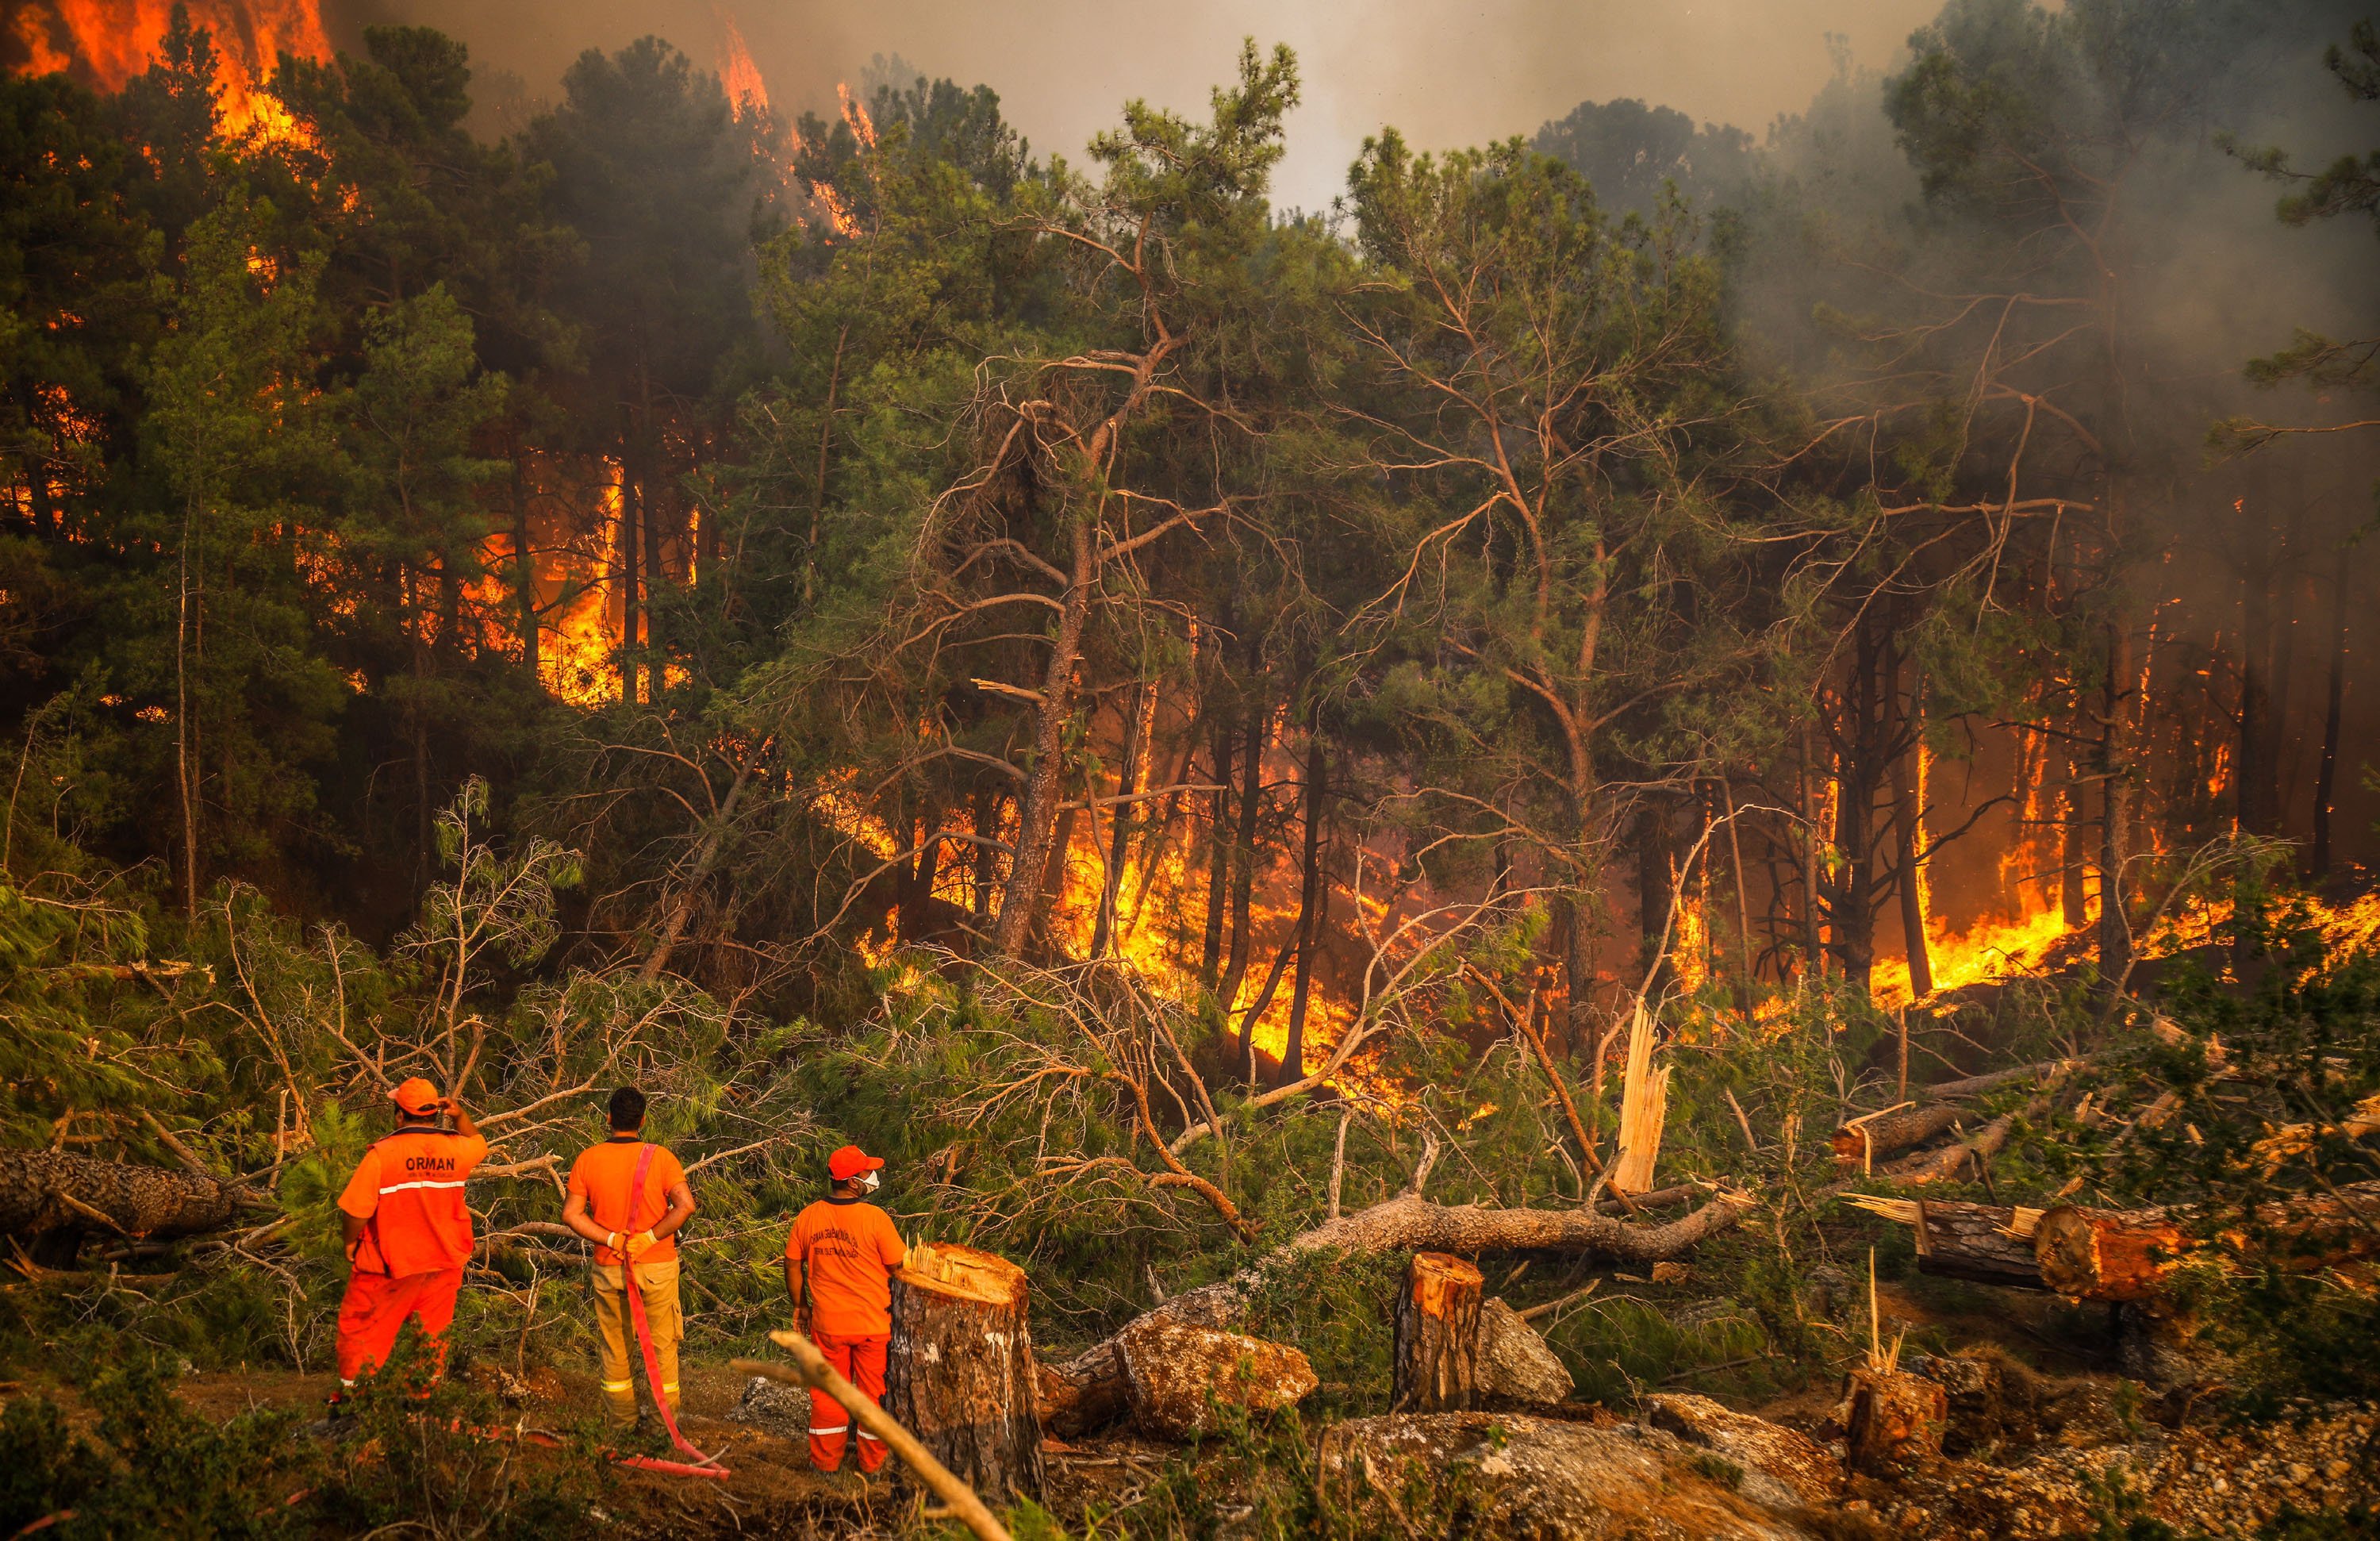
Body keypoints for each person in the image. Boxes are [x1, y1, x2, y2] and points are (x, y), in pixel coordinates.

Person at [333, 1077, 488, 1401]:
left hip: (389, 1266)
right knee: (431, 1337)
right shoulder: (457, 1149)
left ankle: (351, 1406)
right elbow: (480, 1142)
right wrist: (459, 1116)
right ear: (435, 1114)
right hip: (442, 1263)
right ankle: (420, 1405)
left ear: (399, 1116)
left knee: (360, 1329)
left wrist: (350, 1242)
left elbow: (356, 1212)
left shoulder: (382, 1155)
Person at [562, 1086, 697, 1429]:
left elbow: (572, 1215)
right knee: (662, 1348)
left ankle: (620, 1426)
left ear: (608, 1118)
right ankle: (662, 1426)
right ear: (643, 1121)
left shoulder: (587, 1160)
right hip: (657, 1266)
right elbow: (685, 1206)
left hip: (609, 1266)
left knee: (615, 1348)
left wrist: (610, 1238)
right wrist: (649, 1238)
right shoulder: (662, 1158)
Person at [784, 1143, 908, 1475]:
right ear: (854, 1183)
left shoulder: (808, 1217)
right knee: (874, 1395)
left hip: (828, 1326)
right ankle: (873, 1465)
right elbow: (899, 1266)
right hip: (874, 1325)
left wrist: (800, 1306)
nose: (873, 1177)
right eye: (868, 1172)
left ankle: (824, 1465)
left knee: (828, 1396)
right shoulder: (876, 1219)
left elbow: (792, 1263)